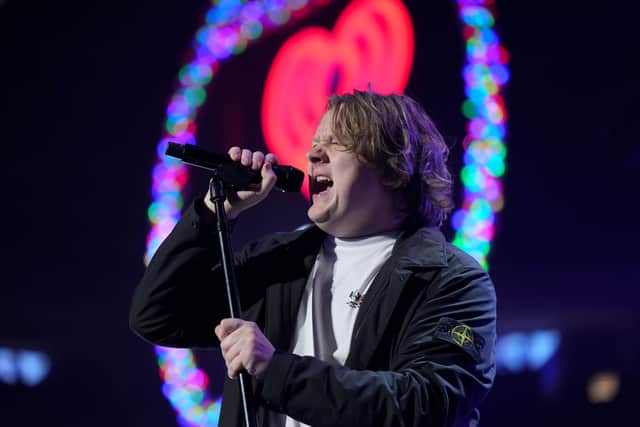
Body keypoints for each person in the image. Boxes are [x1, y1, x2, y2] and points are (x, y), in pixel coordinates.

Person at [130, 90, 497, 427]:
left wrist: (274, 370)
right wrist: (213, 214)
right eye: (315, 143)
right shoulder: (279, 261)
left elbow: (423, 405)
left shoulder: (451, 280)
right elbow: (157, 315)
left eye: (338, 143)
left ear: (392, 169)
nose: (312, 155)